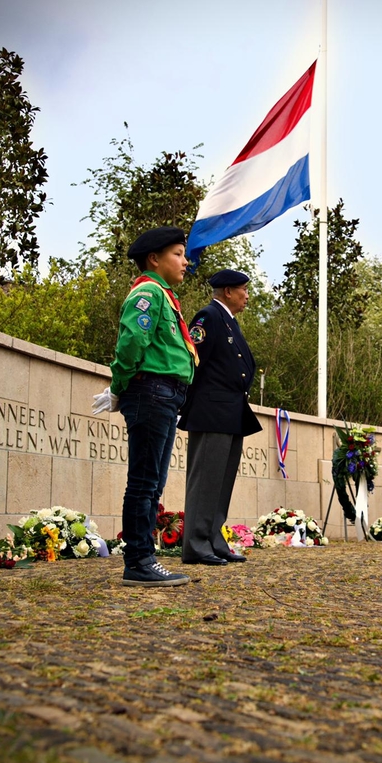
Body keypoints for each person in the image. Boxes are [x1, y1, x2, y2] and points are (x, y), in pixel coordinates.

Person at [92, 226, 196, 587]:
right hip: (151, 392)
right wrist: (119, 387)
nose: (186, 261)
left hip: (165, 394)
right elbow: (133, 341)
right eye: (178, 254)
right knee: (144, 482)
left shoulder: (164, 296)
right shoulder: (148, 293)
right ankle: (138, 560)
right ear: (154, 258)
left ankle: (144, 558)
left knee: (153, 483)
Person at [179, 269, 262, 565]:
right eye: (243, 290)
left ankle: (213, 539)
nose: (247, 295)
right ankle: (196, 545)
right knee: (205, 480)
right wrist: (186, 402)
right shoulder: (209, 317)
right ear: (227, 291)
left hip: (230, 413)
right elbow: (193, 360)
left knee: (221, 481)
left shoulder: (229, 322)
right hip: (211, 411)